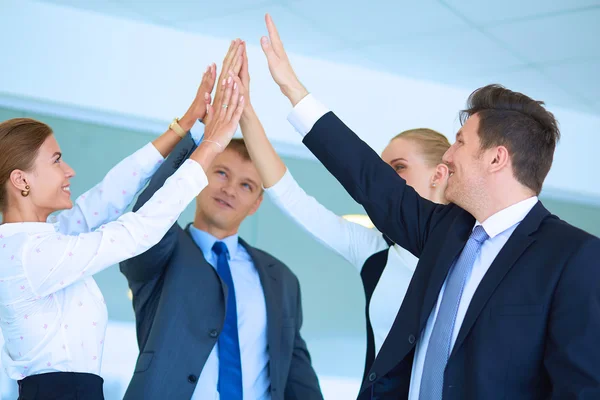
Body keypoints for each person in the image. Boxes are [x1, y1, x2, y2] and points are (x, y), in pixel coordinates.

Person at [257, 14, 600, 400]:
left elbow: (581, 387)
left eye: (460, 142)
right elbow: (368, 178)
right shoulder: (445, 231)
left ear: (496, 159)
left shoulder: (573, 257)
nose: (447, 155)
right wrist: (292, 89)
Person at [0, 55, 245, 400]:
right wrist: (211, 147)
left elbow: (108, 194)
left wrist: (189, 126)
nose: (69, 171)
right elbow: (136, 232)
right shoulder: (31, 254)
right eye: (56, 161)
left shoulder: (40, 238)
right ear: (21, 180)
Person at [119, 40, 323, 400]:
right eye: (220, 173)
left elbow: (297, 376)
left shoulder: (281, 279)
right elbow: (149, 212)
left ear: (257, 203)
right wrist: (204, 132)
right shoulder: (159, 252)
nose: (230, 189)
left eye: (246, 185)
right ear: (199, 176)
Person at [235, 44, 450, 381]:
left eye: (399, 167)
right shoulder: (374, 251)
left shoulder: (473, 252)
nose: (384, 179)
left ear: (439, 174)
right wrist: (245, 110)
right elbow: (291, 196)